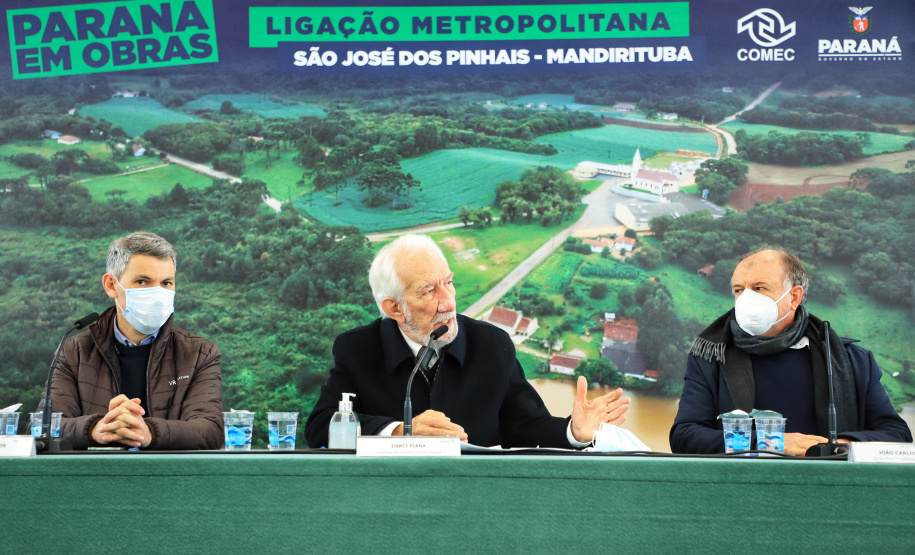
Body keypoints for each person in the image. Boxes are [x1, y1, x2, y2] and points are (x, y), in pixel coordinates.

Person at [305, 234, 631, 448]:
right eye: (428, 291)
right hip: (388, 501)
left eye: (448, 283)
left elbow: (527, 425)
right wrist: (399, 432)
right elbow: (321, 426)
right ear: (394, 308)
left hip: (473, 504)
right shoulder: (356, 349)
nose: (448, 302)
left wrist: (575, 431)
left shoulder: (492, 344)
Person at [670, 246, 911, 455]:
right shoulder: (711, 356)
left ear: (794, 297)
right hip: (742, 494)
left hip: (829, 493)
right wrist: (768, 443)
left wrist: (838, 447)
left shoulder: (852, 360)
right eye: (738, 290)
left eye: (759, 288)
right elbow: (684, 437)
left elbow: (897, 435)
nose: (745, 299)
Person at [40, 232, 224, 450]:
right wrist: (96, 429)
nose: (157, 294)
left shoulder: (200, 353)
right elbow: (44, 427)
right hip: (93, 480)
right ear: (111, 285)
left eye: (166, 283)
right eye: (142, 281)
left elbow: (210, 430)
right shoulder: (73, 351)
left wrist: (148, 432)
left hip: (170, 480)